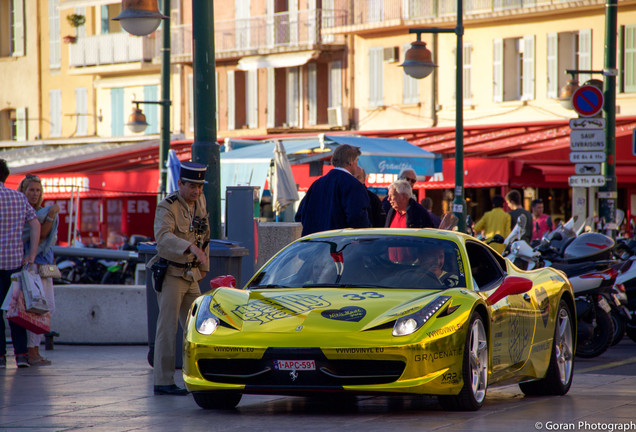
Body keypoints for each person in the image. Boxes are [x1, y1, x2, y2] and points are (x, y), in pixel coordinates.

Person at [148, 161, 210, 395]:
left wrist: (203, 268)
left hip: (191, 274)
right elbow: (163, 237)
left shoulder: (200, 202)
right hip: (172, 272)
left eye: (200, 186)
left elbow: (205, 235)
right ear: (180, 183)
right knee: (167, 327)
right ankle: (163, 381)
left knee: (199, 326)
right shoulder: (167, 207)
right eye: (192, 186)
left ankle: (196, 376)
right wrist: (190, 249)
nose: (197, 191)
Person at [0, 159, 41, 369]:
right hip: (15, 263)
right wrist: (31, 254)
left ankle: (0, 356)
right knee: (15, 310)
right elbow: (35, 224)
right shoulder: (18, 198)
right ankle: (22, 355)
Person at [18, 174, 60, 366]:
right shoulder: (26, 215)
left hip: (44, 266)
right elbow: (41, 235)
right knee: (35, 309)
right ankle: (31, 352)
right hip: (31, 266)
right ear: (23, 191)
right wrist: (51, 215)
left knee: (46, 307)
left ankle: (34, 350)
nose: (35, 194)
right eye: (31, 190)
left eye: (38, 190)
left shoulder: (40, 212)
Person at [295, 144, 371, 236]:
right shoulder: (353, 184)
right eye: (356, 161)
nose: (357, 165)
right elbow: (357, 219)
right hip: (338, 245)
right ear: (351, 161)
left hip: (314, 244)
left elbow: (299, 215)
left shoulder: (316, 184)